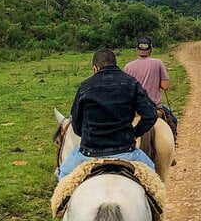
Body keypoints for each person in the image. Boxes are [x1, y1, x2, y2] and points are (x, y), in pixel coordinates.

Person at [57, 48, 158, 181]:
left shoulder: (85, 86)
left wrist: (91, 136)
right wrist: (135, 133)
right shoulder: (131, 83)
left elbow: (76, 126)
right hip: (126, 151)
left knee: (63, 175)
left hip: (89, 153)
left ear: (95, 68)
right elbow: (151, 115)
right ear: (116, 64)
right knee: (153, 176)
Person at [124, 36, 178, 139]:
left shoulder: (128, 67)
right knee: (174, 120)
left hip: (135, 108)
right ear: (151, 49)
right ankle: (174, 142)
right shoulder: (158, 63)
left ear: (136, 49)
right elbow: (165, 86)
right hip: (155, 106)